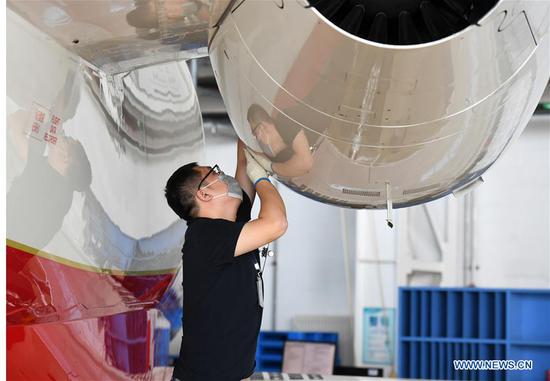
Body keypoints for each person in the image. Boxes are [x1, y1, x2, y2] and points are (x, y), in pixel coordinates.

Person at [164, 139, 287, 381]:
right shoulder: (204, 236)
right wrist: (262, 179)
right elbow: (276, 223)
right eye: (215, 173)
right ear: (205, 193)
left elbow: (243, 162)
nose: (224, 175)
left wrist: (248, 116)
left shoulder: (230, 226)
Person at [246, 104, 314, 178]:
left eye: (255, 132)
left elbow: (306, 163)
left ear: (261, 127)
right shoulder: (271, 146)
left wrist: (272, 167)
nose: (257, 137)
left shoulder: (285, 121)